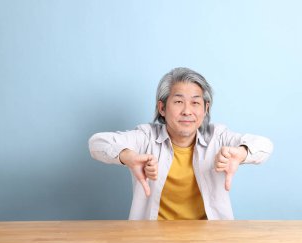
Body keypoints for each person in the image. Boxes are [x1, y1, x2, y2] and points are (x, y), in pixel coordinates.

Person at [88, 67, 273, 220]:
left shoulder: (217, 137)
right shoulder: (146, 137)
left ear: (205, 108)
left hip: (211, 240)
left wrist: (241, 153)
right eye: (178, 101)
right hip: (152, 241)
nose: (187, 111)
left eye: (195, 103)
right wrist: (127, 156)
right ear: (162, 108)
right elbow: (96, 143)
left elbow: (265, 146)